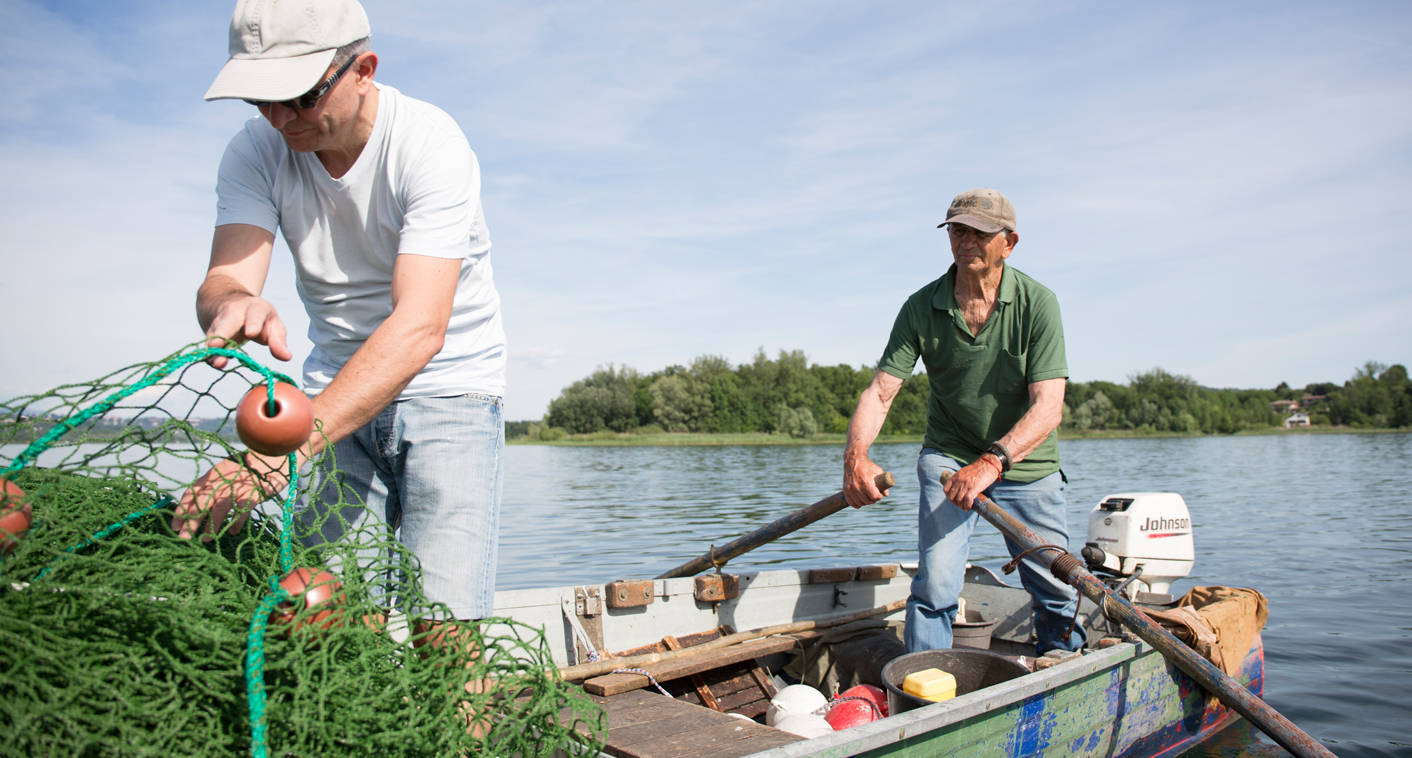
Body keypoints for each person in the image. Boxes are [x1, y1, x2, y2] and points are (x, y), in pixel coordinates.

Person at [172, 0, 506, 628]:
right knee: (323, 614)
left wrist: (283, 452)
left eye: (297, 97)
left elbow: (420, 327)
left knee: (445, 630)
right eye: (259, 100)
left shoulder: (429, 142)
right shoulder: (255, 152)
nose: (278, 119)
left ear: (363, 69)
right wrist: (231, 302)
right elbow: (223, 280)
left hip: (450, 389)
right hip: (334, 390)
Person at [842, 188, 1084, 655]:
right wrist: (856, 456)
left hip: (1024, 463)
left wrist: (992, 462)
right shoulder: (921, 305)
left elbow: (1049, 408)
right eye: (957, 230)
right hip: (949, 456)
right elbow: (880, 391)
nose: (966, 241)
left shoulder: (1039, 304)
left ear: (1008, 243)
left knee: (1055, 584)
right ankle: (922, 685)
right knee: (935, 586)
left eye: (980, 232)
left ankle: (1063, 667)